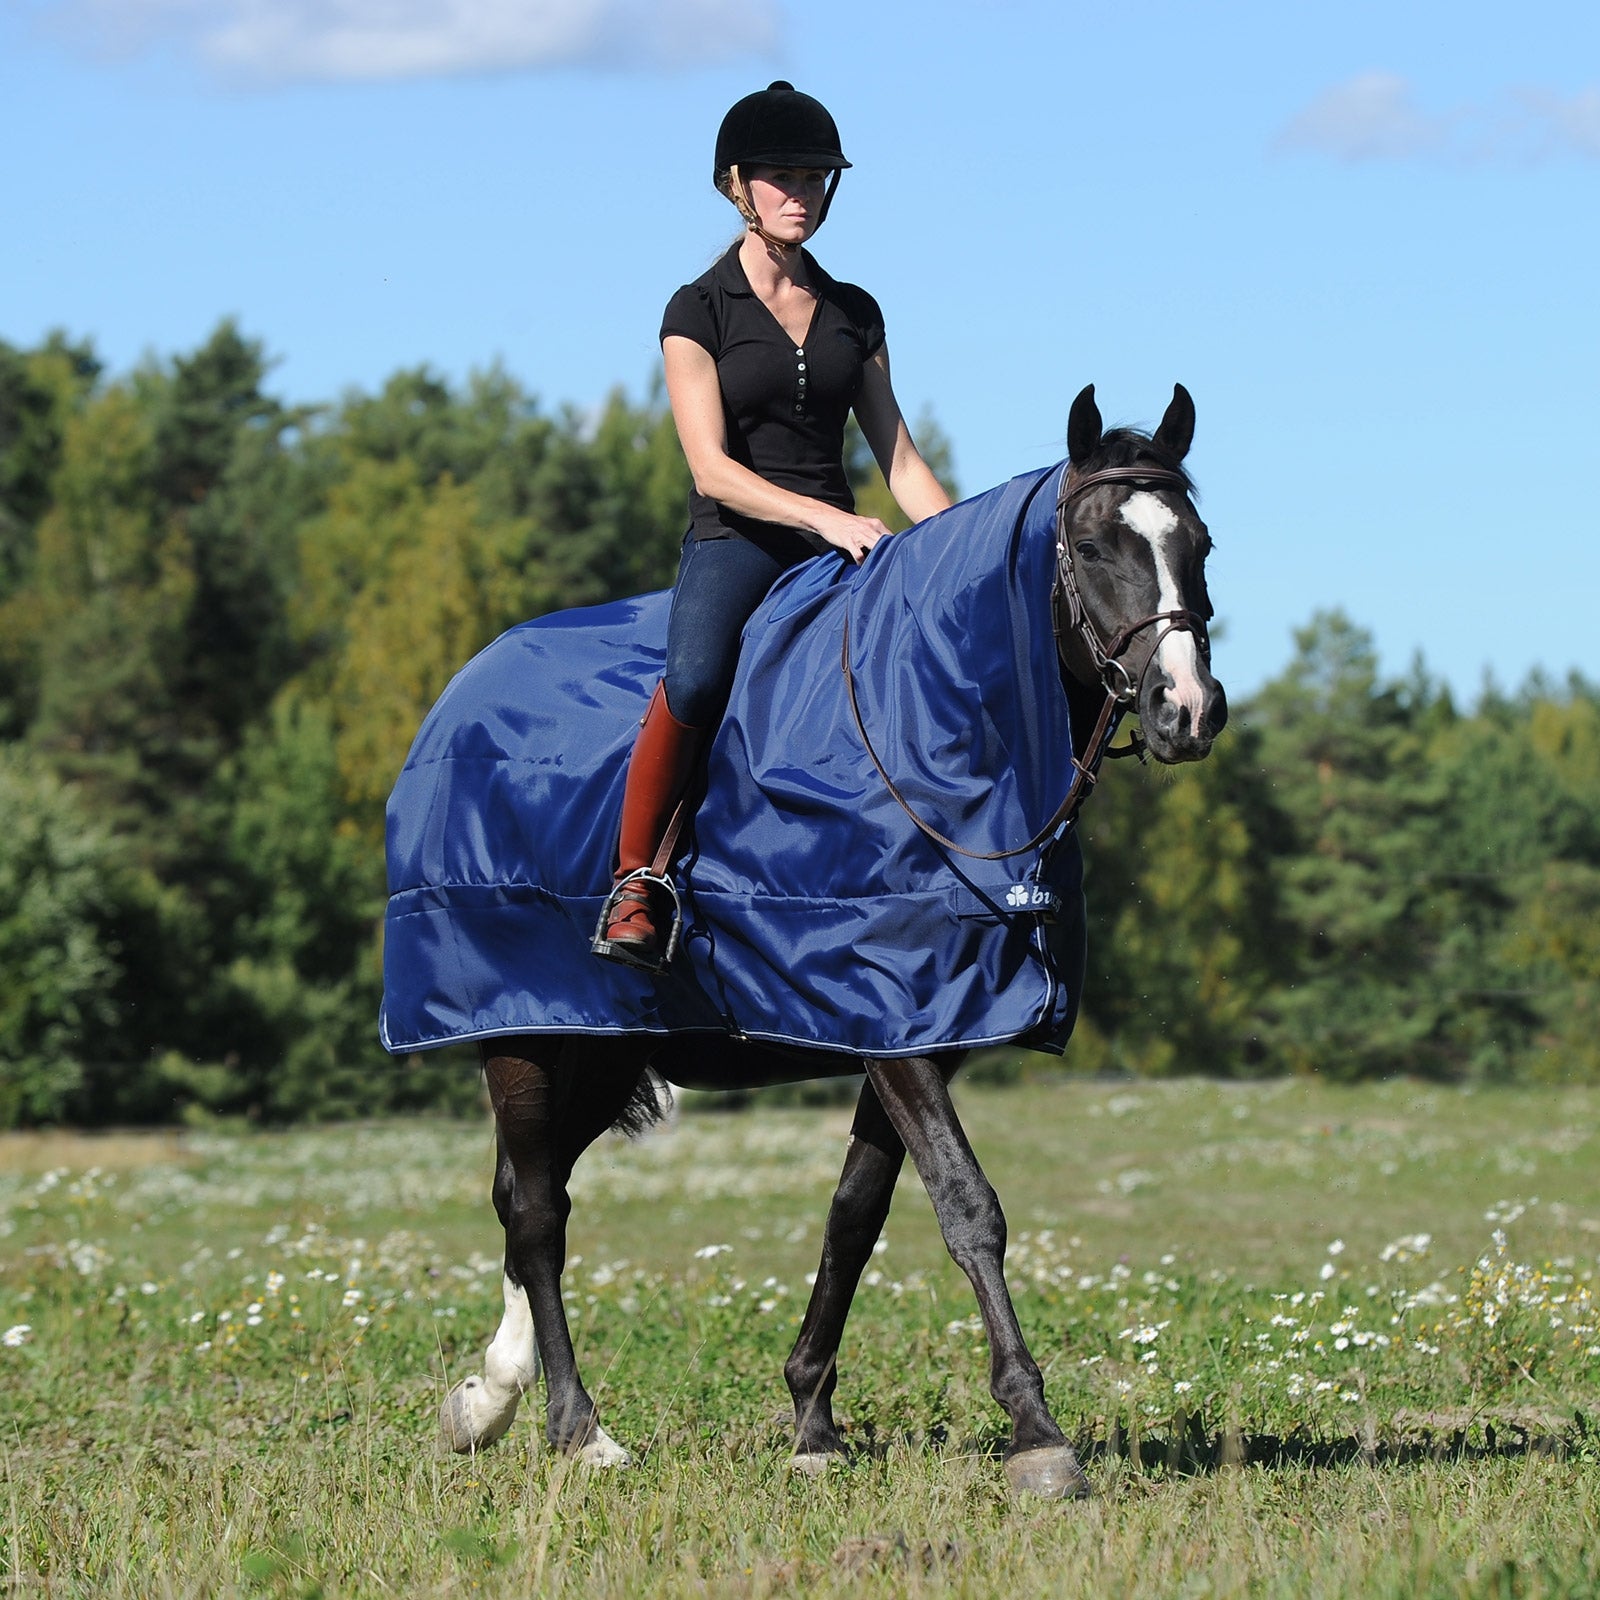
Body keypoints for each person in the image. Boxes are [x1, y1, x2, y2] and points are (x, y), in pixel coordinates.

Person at [594, 81, 953, 971]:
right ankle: (637, 880)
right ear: (736, 187)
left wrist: (963, 553)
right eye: (781, 176)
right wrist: (828, 519)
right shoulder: (696, 310)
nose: (801, 193)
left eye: (815, 177)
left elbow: (902, 462)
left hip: (845, 543)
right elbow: (712, 469)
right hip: (741, 539)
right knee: (697, 670)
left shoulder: (856, 313)